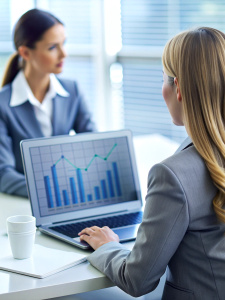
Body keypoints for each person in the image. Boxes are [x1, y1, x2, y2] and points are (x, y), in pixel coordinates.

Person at [79, 27, 225, 299]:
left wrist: (107, 246)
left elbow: (138, 280)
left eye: (163, 79)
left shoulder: (172, 174)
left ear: (178, 88)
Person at [0, 9, 95, 198]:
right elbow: (3, 174)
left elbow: (93, 146)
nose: (64, 54)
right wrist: (52, 191)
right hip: (25, 204)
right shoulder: (3, 104)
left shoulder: (72, 91)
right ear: (25, 52)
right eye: (53, 47)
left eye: (64, 44)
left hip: (71, 199)